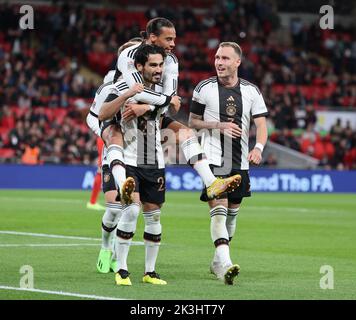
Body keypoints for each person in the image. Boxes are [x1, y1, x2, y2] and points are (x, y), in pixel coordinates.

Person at [115, 17, 242, 200]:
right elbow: (138, 93)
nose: (173, 44)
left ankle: (211, 183)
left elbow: (172, 102)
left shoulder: (171, 61)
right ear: (152, 38)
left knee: (187, 134)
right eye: (168, 39)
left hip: (152, 114)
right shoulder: (129, 55)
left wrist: (148, 106)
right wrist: (160, 101)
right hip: (122, 116)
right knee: (120, 207)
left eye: (174, 39)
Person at [188, 42, 268, 285]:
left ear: (237, 62)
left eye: (224, 58)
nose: (219, 62)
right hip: (213, 160)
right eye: (217, 58)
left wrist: (258, 148)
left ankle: (217, 262)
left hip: (239, 161)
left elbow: (261, 125)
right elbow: (193, 122)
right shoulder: (204, 88)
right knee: (219, 212)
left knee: (232, 216)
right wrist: (218, 125)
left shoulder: (252, 91)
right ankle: (226, 264)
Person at [100, 44, 171, 286]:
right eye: (153, 65)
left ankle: (150, 272)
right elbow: (102, 113)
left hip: (154, 159)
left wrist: (146, 106)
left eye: (161, 64)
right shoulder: (123, 84)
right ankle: (122, 270)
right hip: (130, 158)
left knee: (154, 217)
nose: (158, 69)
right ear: (139, 66)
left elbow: (172, 105)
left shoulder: (163, 90)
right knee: (131, 210)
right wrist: (127, 95)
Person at [86, 41, 143, 273]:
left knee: (132, 209)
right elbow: (92, 117)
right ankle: (105, 247)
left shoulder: (151, 86)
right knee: (114, 208)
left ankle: (121, 263)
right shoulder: (109, 86)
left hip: (140, 155)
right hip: (114, 153)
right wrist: (105, 133)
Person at [86, 137, 105, 210]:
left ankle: (92, 202)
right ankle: (92, 202)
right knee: (101, 170)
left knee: (101, 170)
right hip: (106, 135)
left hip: (106, 135)